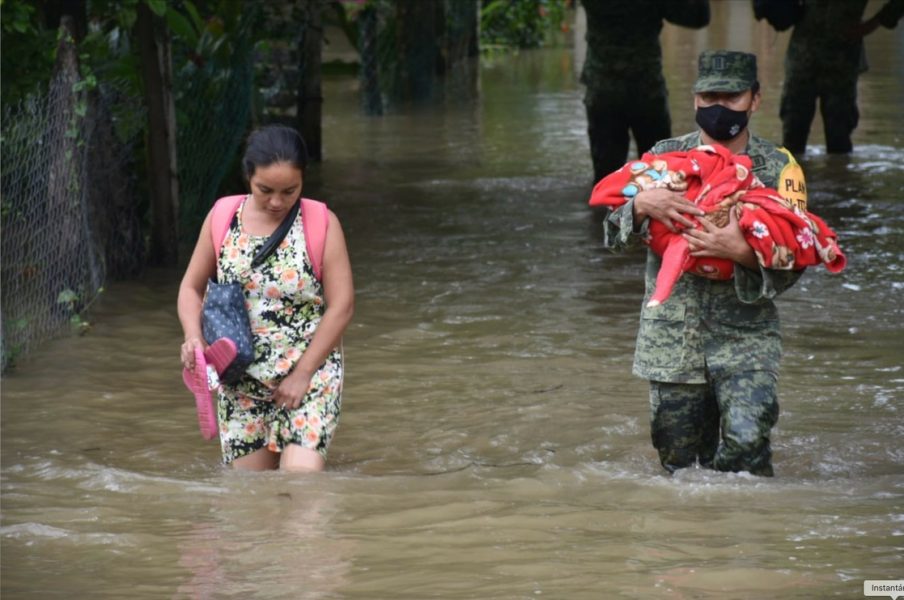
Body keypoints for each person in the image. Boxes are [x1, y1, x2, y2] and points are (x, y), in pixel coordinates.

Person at [602, 50, 807, 477]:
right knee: (681, 468)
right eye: (709, 96)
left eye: (731, 97)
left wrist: (741, 251)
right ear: (695, 99)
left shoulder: (779, 168)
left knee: (748, 449)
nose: (718, 108)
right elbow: (612, 237)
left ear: (755, 100)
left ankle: (746, 540)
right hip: (673, 342)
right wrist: (640, 204)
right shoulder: (663, 158)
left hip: (746, 337)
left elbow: (799, 257)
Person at [177, 125, 354, 472]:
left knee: (300, 481)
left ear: (303, 179)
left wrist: (302, 374)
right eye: (265, 190)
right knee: (250, 499)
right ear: (247, 177)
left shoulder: (322, 223)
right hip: (241, 381)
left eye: (290, 191)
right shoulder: (222, 219)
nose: (277, 202)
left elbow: (342, 306)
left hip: (309, 376)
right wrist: (192, 337)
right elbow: (190, 288)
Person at [579, 0, 710, 182]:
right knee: (659, 175)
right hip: (646, 91)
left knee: (606, 180)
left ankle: (605, 210)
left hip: (604, 90)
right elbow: (698, 18)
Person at [778, 0, 904, 156]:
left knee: (839, 141)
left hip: (841, 61)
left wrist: (873, 23)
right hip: (803, 58)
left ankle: (840, 178)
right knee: (793, 137)